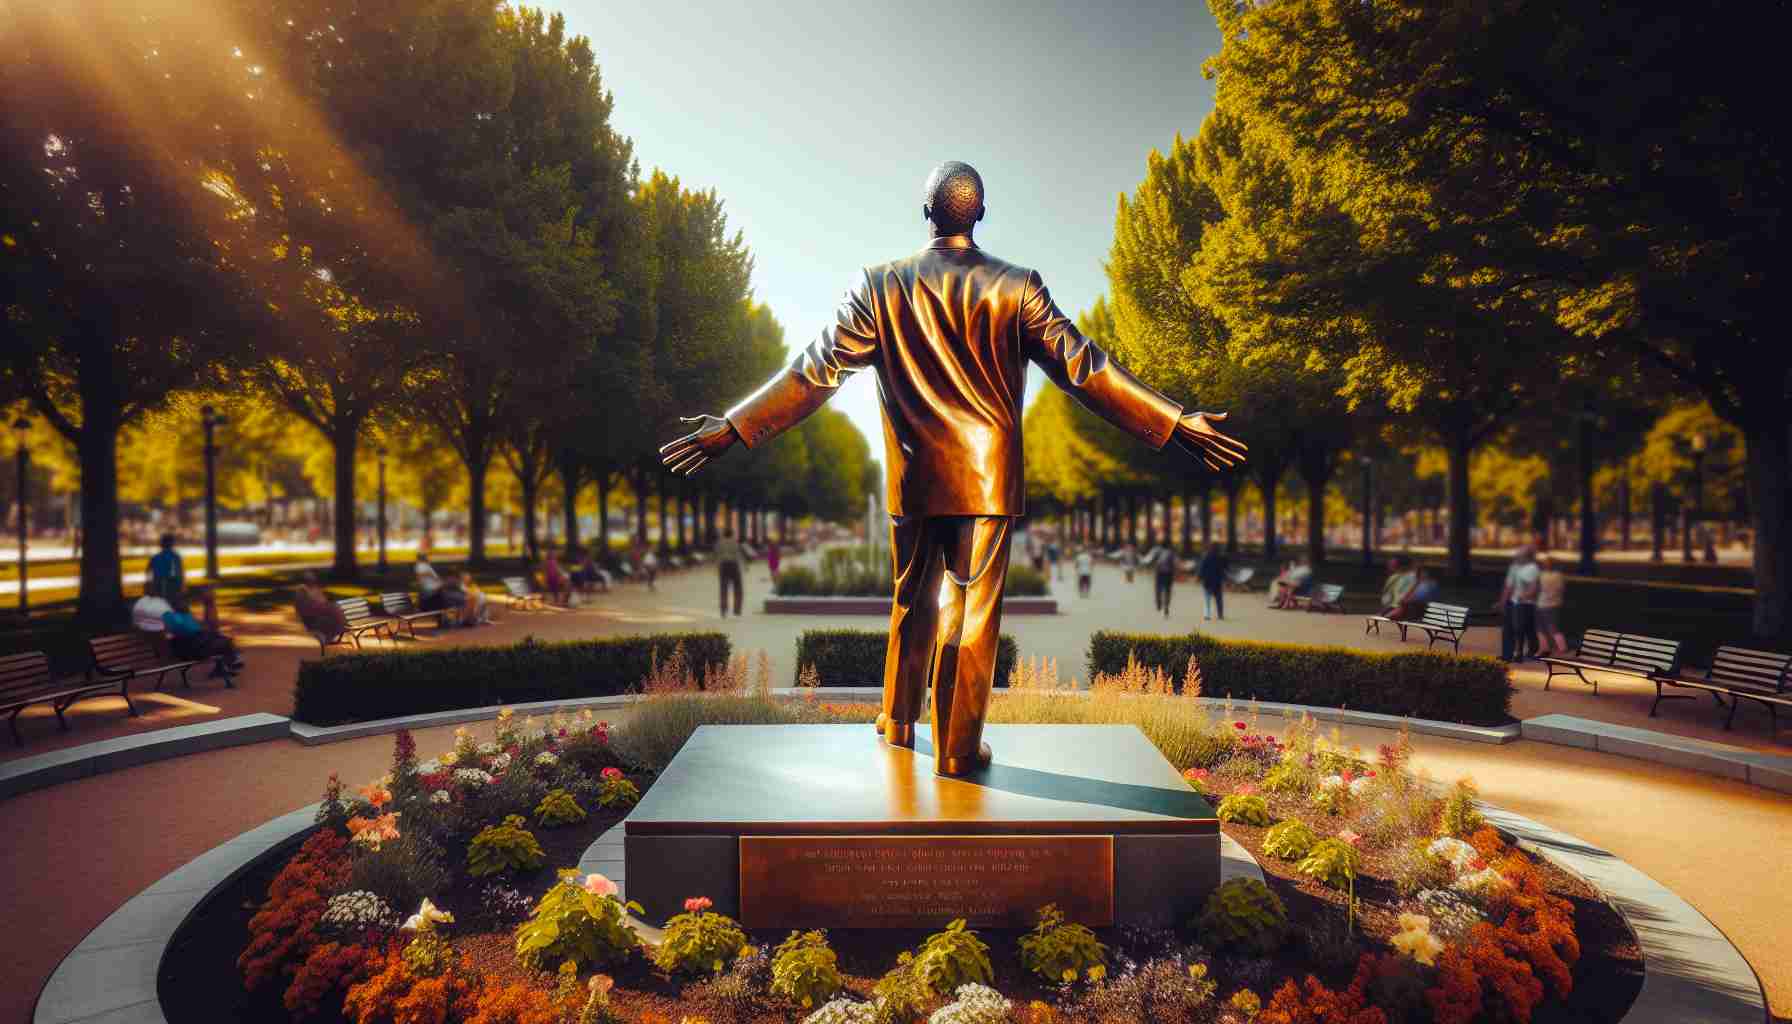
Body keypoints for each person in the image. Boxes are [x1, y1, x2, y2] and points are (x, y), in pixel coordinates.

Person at [655, 160, 1248, 775]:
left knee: (911, 597)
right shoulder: (1018, 287)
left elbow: (814, 371)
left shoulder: (880, 285)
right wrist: (1173, 421)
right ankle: (959, 749)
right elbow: (1086, 369)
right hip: (986, 481)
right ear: (981, 215)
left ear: (926, 213)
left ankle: (898, 720)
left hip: (915, 477)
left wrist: (736, 425)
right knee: (967, 609)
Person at [163, 585, 244, 673]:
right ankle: (231, 661)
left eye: (186, 601)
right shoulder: (172, 616)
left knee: (222, 639)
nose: (187, 604)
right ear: (174, 603)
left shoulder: (184, 615)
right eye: (183, 601)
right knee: (224, 642)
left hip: (196, 644)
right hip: (191, 649)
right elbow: (187, 631)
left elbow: (196, 629)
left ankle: (230, 661)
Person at [1497, 545, 1542, 662]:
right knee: (1508, 628)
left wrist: (1523, 597)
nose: (1516, 556)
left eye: (1519, 554)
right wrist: (1502, 601)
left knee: (1522, 628)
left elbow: (1534, 588)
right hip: (1513, 602)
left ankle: (1527, 651)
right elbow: (1508, 585)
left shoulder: (1533, 568)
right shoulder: (1514, 567)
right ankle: (1507, 655)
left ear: (1527, 557)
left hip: (1525, 604)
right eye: (1517, 554)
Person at [294, 572, 350, 638]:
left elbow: (322, 601)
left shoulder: (314, 589)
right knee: (333, 608)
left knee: (334, 607)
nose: (312, 581)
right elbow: (308, 609)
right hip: (315, 622)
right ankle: (342, 627)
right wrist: (326, 606)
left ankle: (342, 627)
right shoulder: (302, 591)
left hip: (323, 619)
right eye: (309, 580)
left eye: (312, 580)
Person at [1535, 553, 1568, 655]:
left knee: (1540, 628)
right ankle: (1560, 647)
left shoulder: (1541, 575)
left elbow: (1535, 589)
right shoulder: (1560, 576)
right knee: (1553, 627)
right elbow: (1562, 590)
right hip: (1555, 603)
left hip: (1542, 604)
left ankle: (1545, 648)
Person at [715, 525, 745, 617]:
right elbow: (738, 555)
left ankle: (723, 610)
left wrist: (718, 567)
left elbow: (717, 556)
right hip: (733, 565)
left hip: (723, 566)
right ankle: (737, 610)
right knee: (738, 588)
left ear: (724, 534)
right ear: (732, 534)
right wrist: (743, 566)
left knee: (723, 588)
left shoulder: (719, 543)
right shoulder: (735, 543)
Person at [147, 533, 184, 604]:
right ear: (172, 544)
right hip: (171, 588)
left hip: (157, 587)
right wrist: (181, 589)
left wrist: (150, 588)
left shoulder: (155, 557)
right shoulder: (175, 557)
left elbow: (148, 573)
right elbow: (178, 575)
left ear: (161, 544)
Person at [1197, 545, 1228, 621]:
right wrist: (1224, 579)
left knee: (1207, 599)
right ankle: (1220, 614)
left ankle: (1207, 615)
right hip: (1217, 581)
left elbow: (1202, 568)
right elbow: (1224, 569)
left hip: (1207, 581)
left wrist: (1199, 577)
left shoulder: (1206, 557)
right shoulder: (1221, 557)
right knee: (1219, 599)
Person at [1148, 540, 1176, 616]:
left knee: (1158, 589)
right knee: (1167, 591)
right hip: (1168, 574)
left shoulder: (1157, 551)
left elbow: (1150, 560)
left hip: (1159, 573)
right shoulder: (1171, 553)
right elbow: (1174, 564)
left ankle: (1159, 603)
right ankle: (1166, 605)